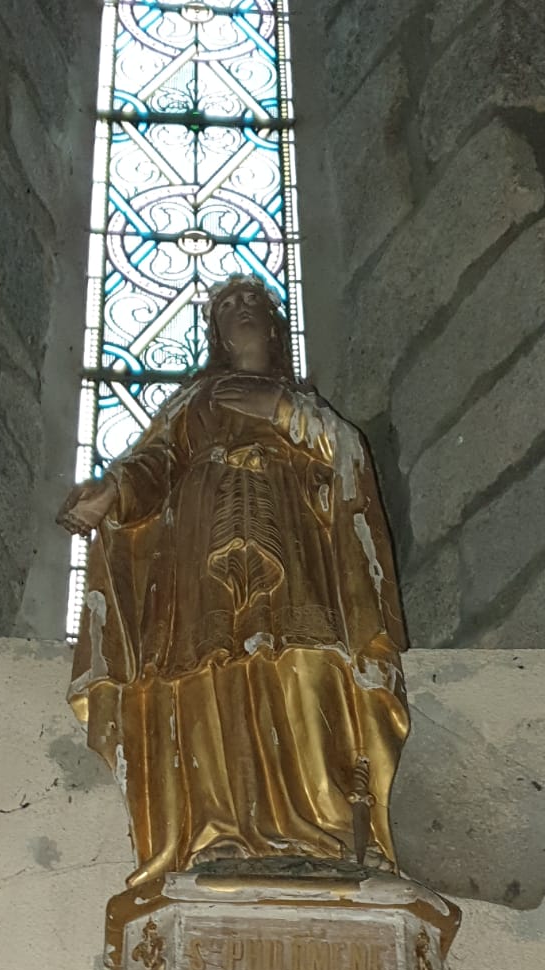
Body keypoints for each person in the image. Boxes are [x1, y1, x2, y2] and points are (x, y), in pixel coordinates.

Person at [60, 274, 408, 889]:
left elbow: (348, 455)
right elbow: (154, 465)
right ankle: (216, 831)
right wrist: (110, 493)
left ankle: (328, 831)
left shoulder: (302, 401)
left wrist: (284, 414)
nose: (241, 310)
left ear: (274, 326)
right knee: (208, 673)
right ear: (216, 332)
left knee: (306, 663)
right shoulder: (193, 402)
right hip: (200, 547)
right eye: (227, 305)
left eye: (252, 302)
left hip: (294, 540)